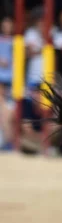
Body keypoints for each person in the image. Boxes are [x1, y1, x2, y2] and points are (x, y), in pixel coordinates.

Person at [0, 17, 14, 149]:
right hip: (1, 81)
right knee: (4, 112)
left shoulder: (17, 41)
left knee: (7, 113)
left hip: (12, 81)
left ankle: (8, 142)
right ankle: (7, 143)